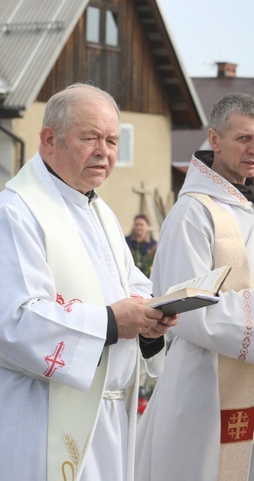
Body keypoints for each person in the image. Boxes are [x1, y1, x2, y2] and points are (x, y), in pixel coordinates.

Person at [0, 83, 178, 481]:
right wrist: (113, 323)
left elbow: (130, 286)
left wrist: (153, 318)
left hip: (105, 418)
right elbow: (11, 323)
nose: (105, 151)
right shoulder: (13, 216)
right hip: (34, 414)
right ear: (49, 140)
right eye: (91, 138)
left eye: (113, 140)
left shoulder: (98, 211)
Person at [135, 92, 254, 480]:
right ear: (214, 140)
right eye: (243, 138)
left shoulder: (248, 207)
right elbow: (185, 308)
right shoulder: (193, 213)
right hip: (204, 386)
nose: (253, 149)